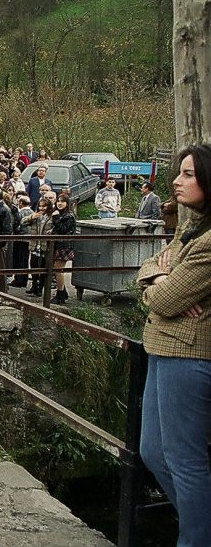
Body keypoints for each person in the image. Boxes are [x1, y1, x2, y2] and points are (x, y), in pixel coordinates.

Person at [137, 144, 211, 547]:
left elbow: (163, 301)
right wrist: (159, 276)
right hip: (161, 348)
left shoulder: (209, 241)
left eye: (188, 174)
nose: (176, 182)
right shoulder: (191, 228)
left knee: (186, 460)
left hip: (189, 354)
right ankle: (200, 522)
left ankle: (196, 537)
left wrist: (160, 283)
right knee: (153, 453)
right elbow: (150, 266)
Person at [21, 197, 54, 296]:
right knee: (33, 266)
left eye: (44, 206)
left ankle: (40, 288)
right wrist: (32, 217)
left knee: (43, 268)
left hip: (45, 245)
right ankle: (34, 286)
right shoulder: (36, 215)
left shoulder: (51, 216)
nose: (41, 208)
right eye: (40, 206)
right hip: (35, 245)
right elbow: (23, 222)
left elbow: (54, 227)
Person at [51, 195, 77, 304]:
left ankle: (60, 294)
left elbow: (63, 229)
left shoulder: (69, 216)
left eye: (62, 201)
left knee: (59, 269)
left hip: (64, 245)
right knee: (56, 269)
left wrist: (56, 218)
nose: (59, 203)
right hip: (58, 244)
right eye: (58, 201)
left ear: (67, 203)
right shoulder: (61, 214)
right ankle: (63, 291)